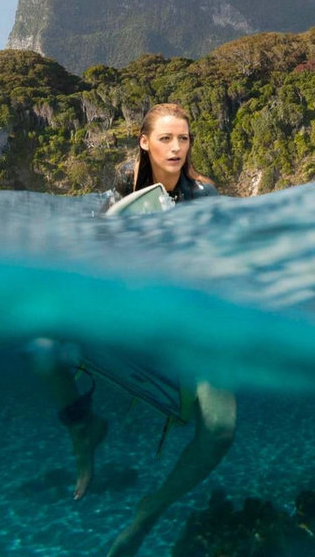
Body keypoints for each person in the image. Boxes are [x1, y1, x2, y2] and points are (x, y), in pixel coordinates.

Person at [42, 103, 233, 557]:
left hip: (191, 322)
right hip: (131, 314)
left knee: (221, 428)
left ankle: (150, 509)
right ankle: (83, 431)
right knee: (45, 345)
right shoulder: (118, 193)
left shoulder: (205, 194)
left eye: (183, 138)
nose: (176, 147)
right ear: (145, 142)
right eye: (166, 138)